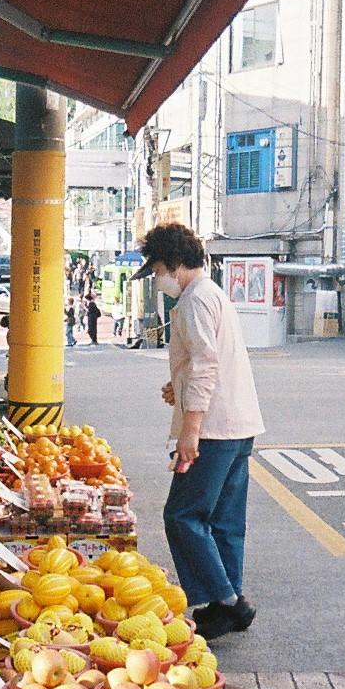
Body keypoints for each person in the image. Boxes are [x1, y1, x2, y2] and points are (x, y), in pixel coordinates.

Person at [130, 222, 265, 640]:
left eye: (156, 270)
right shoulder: (212, 294)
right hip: (238, 425)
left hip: (214, 429)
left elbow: (206, 363)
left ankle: (222, 599)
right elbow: (209, 360)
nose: (157, 279)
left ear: (173, 263)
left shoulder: (194, 300)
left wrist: (190, 430)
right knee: (224, 519)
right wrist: (180, 385)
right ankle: (229, 602)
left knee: (182, 514)